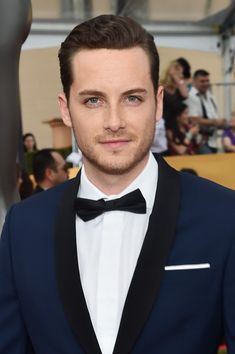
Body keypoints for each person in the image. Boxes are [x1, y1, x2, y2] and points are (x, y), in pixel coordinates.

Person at [0, 15, 235, 354]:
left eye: (132, 98)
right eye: (93, 100)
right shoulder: (24, 228)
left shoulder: (223, 217)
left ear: (157, 103)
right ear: (66, 109)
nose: (114, 122)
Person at [186, 69, 226, 154]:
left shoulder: (210, 96)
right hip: (200, 141)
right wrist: (215, 122)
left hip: (213, 140)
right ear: (194, 81)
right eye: (202, 81)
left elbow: (212, 117)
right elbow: (193, 119)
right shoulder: (191, 96)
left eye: (207, 81)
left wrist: (221, 122)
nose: (206, 83)